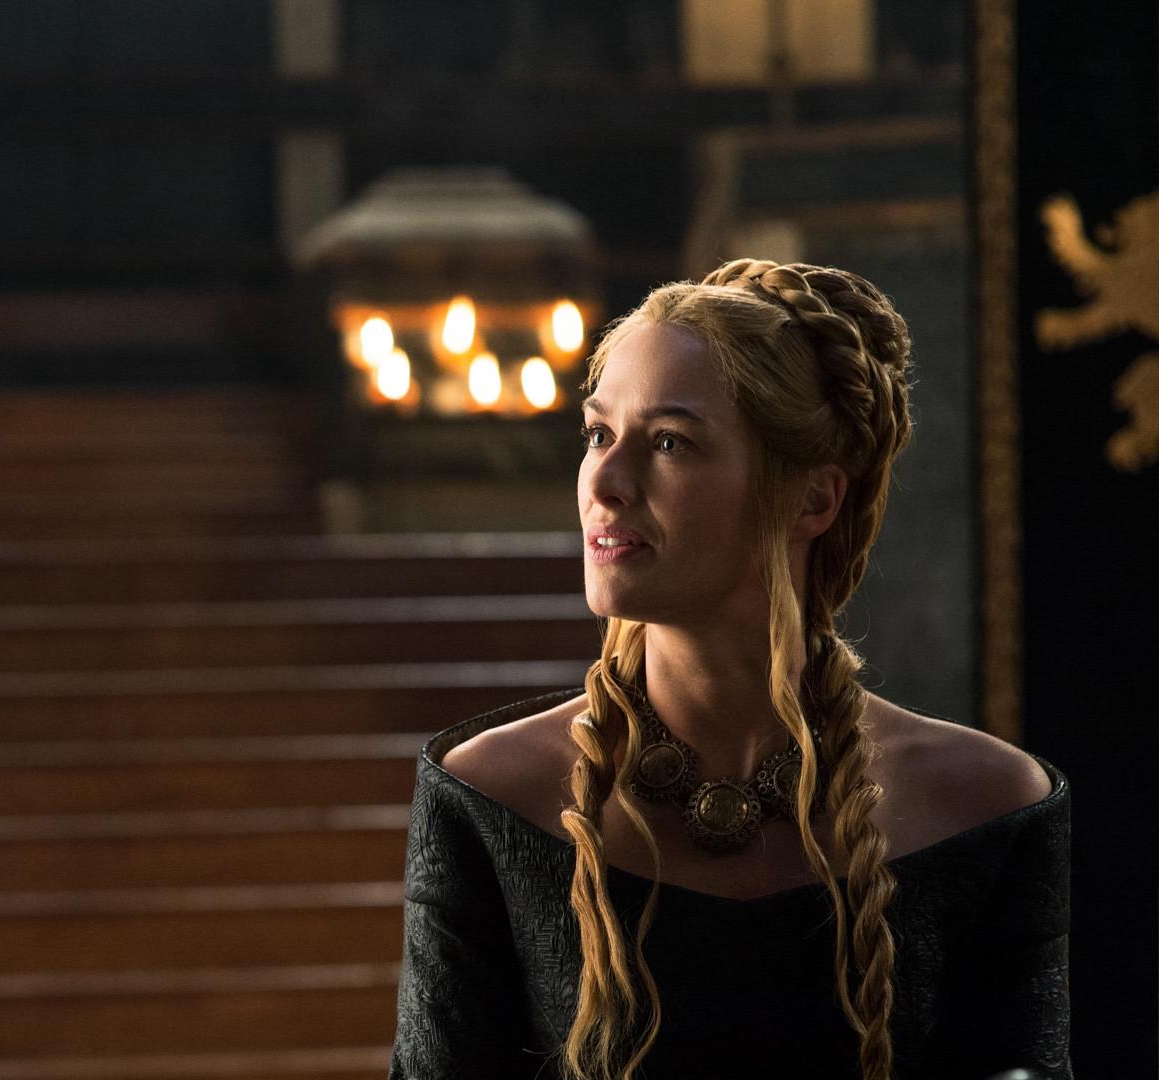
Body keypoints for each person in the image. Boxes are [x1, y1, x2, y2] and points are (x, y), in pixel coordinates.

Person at [390, 260, 1070, 1080]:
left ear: (813, 499)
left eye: (669, 442)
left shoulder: (987, 805)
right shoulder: (493, 798)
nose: (605, 482)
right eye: (598, 435)